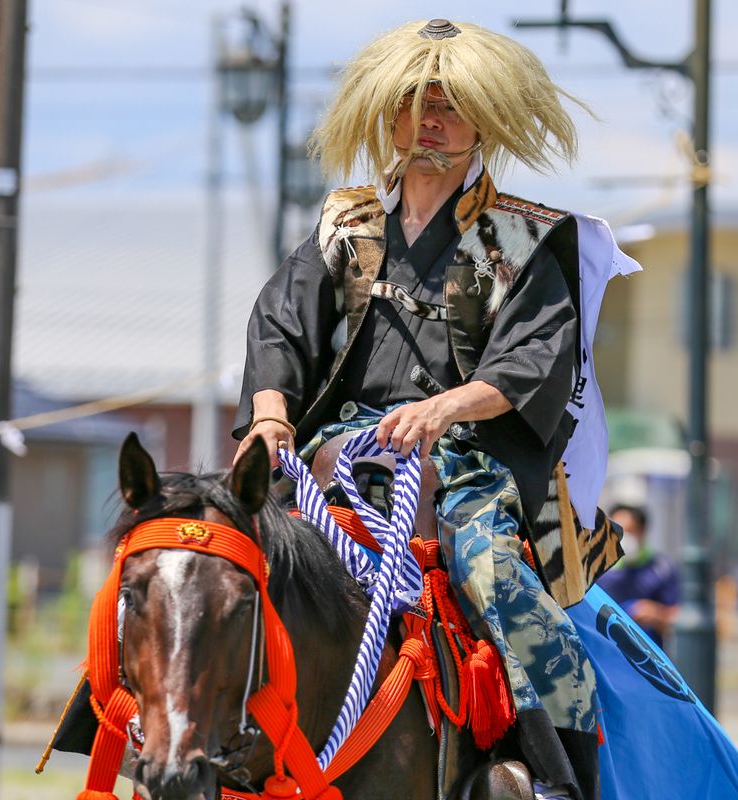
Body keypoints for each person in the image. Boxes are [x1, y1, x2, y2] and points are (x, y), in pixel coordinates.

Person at [233, 19, 605, 799]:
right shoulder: (347, 226)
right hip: (335, 457)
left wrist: (443, 409)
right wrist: (270, 415)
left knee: (498, 579)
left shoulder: (523, 238)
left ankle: (554, 777)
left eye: (450, 106)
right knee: (205, 547)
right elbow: (280, 323)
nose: (428, 121)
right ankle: (157, 738)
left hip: (460, 467)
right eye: (412, 104)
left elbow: (534, 361)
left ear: (484, 124)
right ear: (387, 115)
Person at [596, 504, 681, 650]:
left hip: (645, 656)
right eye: (616, 530)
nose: (622, 537)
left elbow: (680, 617)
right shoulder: (597, 568)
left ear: (642, 532)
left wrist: (657, 614)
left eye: (628, 531)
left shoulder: (661, 568)